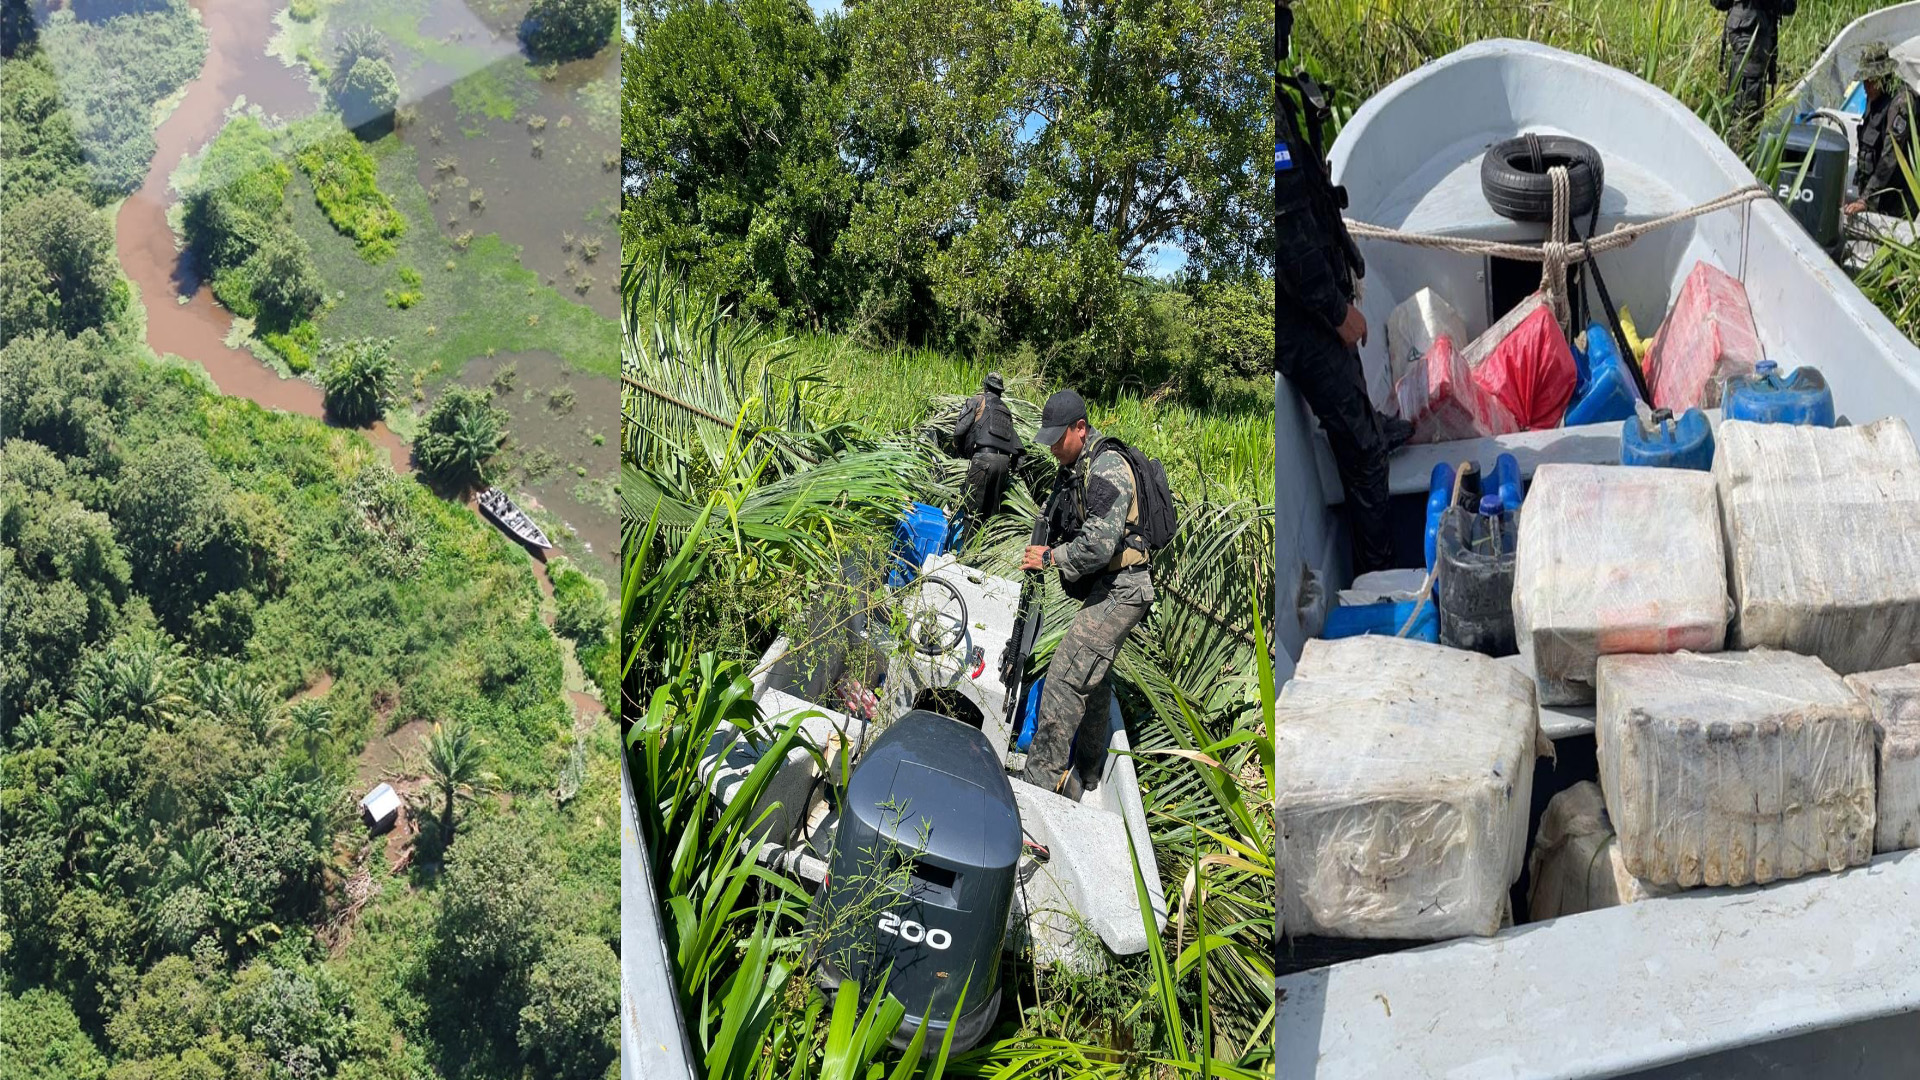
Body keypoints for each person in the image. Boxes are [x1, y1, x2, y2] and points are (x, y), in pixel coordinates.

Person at [1276, 0, 1410, 577]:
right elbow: (1284, 234)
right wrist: (1335, 312)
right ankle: (1377, 577)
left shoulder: (1274, 96)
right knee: (1363, 452)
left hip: (1312, 301)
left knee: (1358, 399)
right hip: (1297, 317)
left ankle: (1367, 418)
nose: (1287, 23)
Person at [1016, 390, 1153, 802]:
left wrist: (1051, 557)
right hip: (1112, 585)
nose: (1054, 447)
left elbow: (1098, 544)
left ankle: (1036, 788)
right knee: (1092, 681)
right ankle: (1089, 774)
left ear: (1081, 428)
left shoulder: (1107, 467)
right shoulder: (1079, 464)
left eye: (1060, 438)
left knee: (1064, 678)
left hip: (1124, 587)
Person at [1847, 46, 1918, 219]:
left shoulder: (1901, 101)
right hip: (1877, 192)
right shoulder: (1875, 97)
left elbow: (1890, 154)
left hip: (1898, 195)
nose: (1866, 85)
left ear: (1883, 77)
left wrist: (1866, 199)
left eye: (1870, 80)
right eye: (1865, 80)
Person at [950, 372, 1022, 538]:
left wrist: (960, 451)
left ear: (985, 386)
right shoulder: (1005, 410)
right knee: (990, 517)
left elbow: (960, 430)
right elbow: (1018, 446)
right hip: (1003, 464)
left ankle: (966, 556)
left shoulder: (977, 400)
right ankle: (985, 558)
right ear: (1000, 391)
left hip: (983, 460)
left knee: (971, 513)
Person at [1712, 0, 1796, 124]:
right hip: (1753, 33)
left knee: (1737, 97)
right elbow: (1788, 6)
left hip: (1739, 30)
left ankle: (1735, 134)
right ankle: (1741, 139)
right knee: (1747, 110)